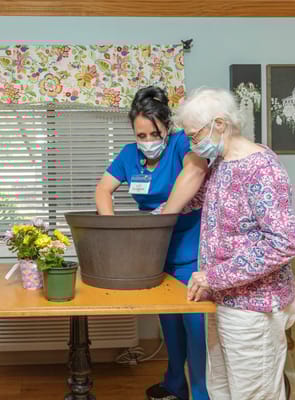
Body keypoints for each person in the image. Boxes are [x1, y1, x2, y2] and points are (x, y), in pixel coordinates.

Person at [177, 88, 295, 400]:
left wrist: (213, 276)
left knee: (252, 394)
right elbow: (196, 204)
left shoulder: (262, 167)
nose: (193, 143)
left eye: (195, 135)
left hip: (254, 309)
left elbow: (282, 243)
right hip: (221, 301)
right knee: (221, 391)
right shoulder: (220, 164)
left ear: (220, 124)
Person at [95, 86, 209, 400]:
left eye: (153, 134)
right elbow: (103, 190)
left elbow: (195, 171)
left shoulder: (181, 144)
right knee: (169, 324)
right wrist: (111, 233)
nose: (147, 142)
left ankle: (200, 393)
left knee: (195, 327)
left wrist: (165, 214)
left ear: (167, 128)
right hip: (154, 253)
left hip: (190, 248)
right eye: (140, 136)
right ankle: (175, 384)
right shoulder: (128, 155)